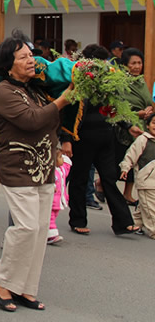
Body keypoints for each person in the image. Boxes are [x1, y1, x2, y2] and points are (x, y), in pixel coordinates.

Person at [0, 37, 73, 312]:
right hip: (18, 168)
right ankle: (1, 281)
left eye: (31, 56)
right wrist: (63, 99)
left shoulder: (34, 90)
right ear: (8, 66)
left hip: (44, 168)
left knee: (38, 232)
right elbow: (32, 121)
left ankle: (24, 287)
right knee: (24, 228)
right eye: (23, 57)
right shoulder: (3, 91)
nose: (31, 60)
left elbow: (50, 121)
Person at [62, 44, 140, 236]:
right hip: (83, 138)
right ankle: (77, 219)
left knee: (110, 179)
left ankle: (122, 222)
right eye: (101, 61)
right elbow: (67, 113)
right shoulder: (77, 80)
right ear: (89, 63)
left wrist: (129, 126)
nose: (105, 65)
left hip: (106, 136)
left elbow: (115, 108)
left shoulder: (108, 81)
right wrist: (66, 139)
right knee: (79, 180)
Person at [114, 48, 153, 205]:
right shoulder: (120, 83)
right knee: (125, 160)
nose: (137, 66)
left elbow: (147, 100)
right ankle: (101, 185)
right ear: (125, 65)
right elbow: (118, 107)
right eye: (133, 63)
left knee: (137, 160)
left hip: (142, 125)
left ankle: (127, 193)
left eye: (139, 63)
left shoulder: (142, 81)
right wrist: (138, 114)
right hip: (125, 127)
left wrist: (149, 110)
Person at [120, 114, 155, 239]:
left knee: (144, 206)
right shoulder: (143, 139)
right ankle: (153, 230)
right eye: (154, 123)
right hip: (146, 181)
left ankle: (134, 224)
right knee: (151, 208)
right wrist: (125, 168)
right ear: (148, 125)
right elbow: (131, 155)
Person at [48, 149, 72, 245]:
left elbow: (67, 166)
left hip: (58, 201)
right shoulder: (50, 172)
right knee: (50, 218)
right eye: (60, 157)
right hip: (51, 201)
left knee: (53, 216)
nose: (62, 159)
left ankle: (48, 233)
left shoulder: (61, 170)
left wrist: (65, 155)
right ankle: (51, 235)